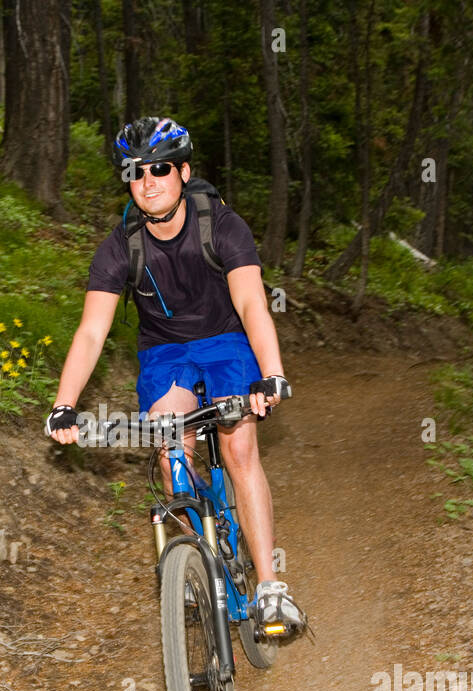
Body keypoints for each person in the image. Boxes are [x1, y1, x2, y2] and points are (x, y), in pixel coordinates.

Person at [43, 116, 305, 634]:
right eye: (134, 173)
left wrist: (270, 375)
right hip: (165, 352)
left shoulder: (222, 226)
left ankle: (272, 587)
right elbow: (92, 332)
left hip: (227, 341)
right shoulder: (121, 246)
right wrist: (64, 402)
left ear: (184, 171)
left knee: (238, 448)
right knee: (170, 450)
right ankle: (196, 567)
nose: (148, 182)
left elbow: (252, 303)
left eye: (159, 168)